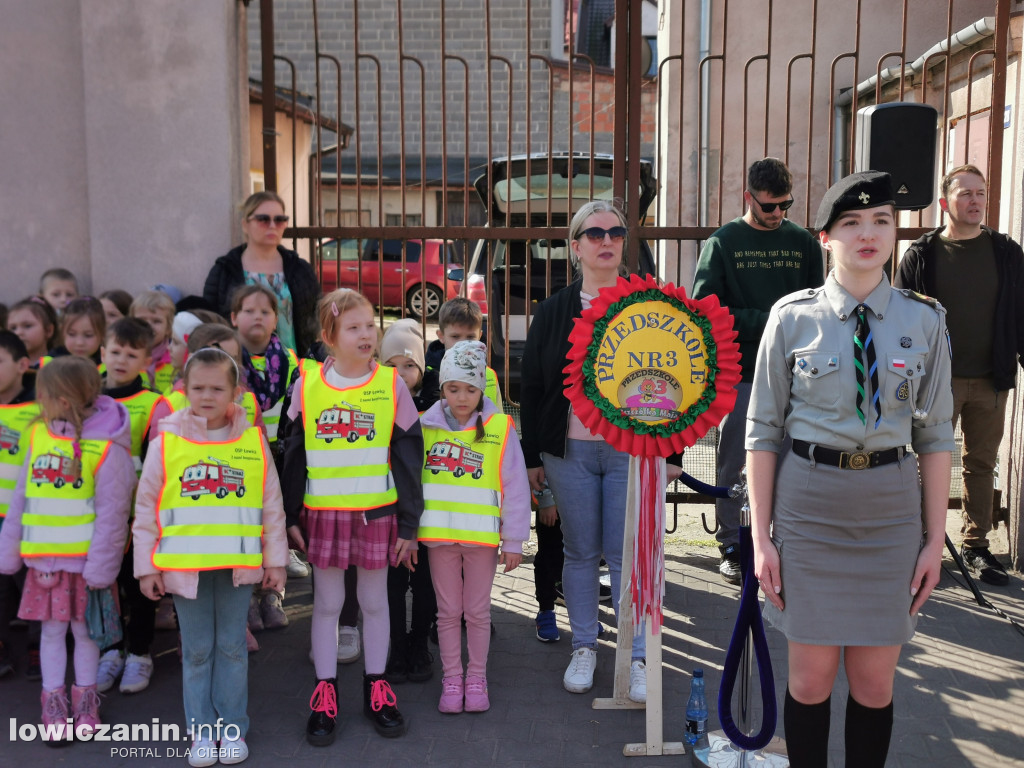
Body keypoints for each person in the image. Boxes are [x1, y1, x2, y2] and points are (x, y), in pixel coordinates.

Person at [747, 171, 954, 767]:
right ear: (825, 238)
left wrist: (933, 540)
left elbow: (936, 435)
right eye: (851, 223)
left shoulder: (925, 321)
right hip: (808, 510)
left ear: (895, 232)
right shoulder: (791, 318)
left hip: (890, 513)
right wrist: (762, 540)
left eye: (882, 221)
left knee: (874, 685)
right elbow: (762, 434)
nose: (869, 234)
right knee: (809, 683)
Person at [133, 347, 288, 767]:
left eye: (216, 387)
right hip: (186, 571)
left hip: (237, 568)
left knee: (233, 647)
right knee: (198, 651)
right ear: (184, 389)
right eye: (197, 387)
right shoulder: (166, 440)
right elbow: (145, 507)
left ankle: (232, 727)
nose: (206, 395)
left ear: (235, 392)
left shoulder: (252, 440)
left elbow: (271, 505)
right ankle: (202, 731)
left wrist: (275, 561)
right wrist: (146, 567)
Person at [282, 289, 424, 745]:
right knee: (325, 605)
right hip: (323, 515)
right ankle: (325, 693)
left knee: (376, 602)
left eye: (370, 326)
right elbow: (293, 454)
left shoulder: (391, 384)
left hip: (377, 515)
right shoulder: (307, 384)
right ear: (330, 336)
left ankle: (377, 689)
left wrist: (408, 524)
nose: (366, 335)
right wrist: (289, 517)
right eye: (354, 327)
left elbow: (407, 459)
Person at [520, 200, 648, 702]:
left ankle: (637, 656)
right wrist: (533, 457)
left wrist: (675, 449)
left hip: (630, 451)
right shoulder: (553, 311)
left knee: (625, 556)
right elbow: (530, 386)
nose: (606, 240)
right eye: (594, 233)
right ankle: (586, 647)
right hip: (568, 451)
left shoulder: (647, 304)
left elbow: (683, 378)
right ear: (575, 246)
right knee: (579, 553)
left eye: (615, 232)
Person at [692, 157, 824, 584]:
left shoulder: (802, 242)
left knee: (794, 461)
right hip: (743, 373)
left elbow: (818, 306)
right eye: (769, 206)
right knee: (736, 462)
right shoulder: (723, 243)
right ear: (747, 197)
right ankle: (731, 543)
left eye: (785, 205)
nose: (778, 214)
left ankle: (782, 541)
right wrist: (771, 320)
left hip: (798, 374)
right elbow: (705, 312)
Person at [894, 164, 1023, 587]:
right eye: (965, 193)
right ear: (946, 201)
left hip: (990, 378)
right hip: (935, 381)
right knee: (924, 461)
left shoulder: (1006, 252)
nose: (975, 201)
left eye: (981, 193)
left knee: (980, 464)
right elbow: (901, 317)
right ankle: (920, 542)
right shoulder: (923, 253)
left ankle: (975, 545)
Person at [0, 357, 135, 743]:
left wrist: (100, 570)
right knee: (51, 633)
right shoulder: (39, 435)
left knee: (86, 633)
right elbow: (21, 499)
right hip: (44, 563)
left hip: (85, 566)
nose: (37, 398)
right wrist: (9, 550)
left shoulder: (107, 449)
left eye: (42, 392)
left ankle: (86, 703)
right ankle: (54, 703)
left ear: (62, 399)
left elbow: (113, 517)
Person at [418, 340, 529, 713]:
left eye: (469, 388)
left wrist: (513, 539)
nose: (461, 397)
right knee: (447, 614)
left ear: (482, 388)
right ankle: (452, 680)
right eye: (452, 388)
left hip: (481, 540)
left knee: (478, 613)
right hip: (439, 539)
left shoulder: (500, 427)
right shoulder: (424, 427)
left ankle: (476, 677)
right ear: (442, 389)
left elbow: (515, 486)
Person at [95, 318, 171, 695]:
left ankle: (139, 652)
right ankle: (110, 650)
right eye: (115, 351)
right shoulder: (87, 396)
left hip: (137, 518)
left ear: (146, 360)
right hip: (95, 517)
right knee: (103, 586)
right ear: (102, 352)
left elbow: (159, 465)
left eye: (131, 353)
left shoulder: (154, 405)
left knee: (137, 584)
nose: (121, 359)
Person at [380, 319, 437, 684]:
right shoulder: (375, 402)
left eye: (409, 365)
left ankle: (419, 646)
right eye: (391, 366)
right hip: (390, 513)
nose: (400, 374)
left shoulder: (436, 406)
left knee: (427, 585)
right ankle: (397, 648)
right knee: (393, 585)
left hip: (429, 513)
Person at [203, 191, 321, 358]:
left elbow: (316, 318)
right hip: (239, 369)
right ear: (245, 224)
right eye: (263, 219)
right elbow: (209, 323)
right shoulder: (225, 271)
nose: (272, 225)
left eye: (279, 220)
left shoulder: (300, 270)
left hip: (293, 369)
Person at [0, 331, 40, 680]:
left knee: (32, 586)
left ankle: (38, 648)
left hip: (26, 519)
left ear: (21, 365)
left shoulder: (38, 410)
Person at [423, 297, 503, 411]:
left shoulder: (489, 374)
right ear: (441, 336)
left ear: (479, 336)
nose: (463, 343)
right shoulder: (428, 375)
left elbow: (498, 419)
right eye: (455, 336)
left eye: (470, 337)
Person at [130, 290, 176, 394]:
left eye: (156, 321)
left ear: (168, 328)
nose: (148, 326)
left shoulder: (175, 358)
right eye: (142, 320)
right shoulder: (124, 355)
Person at [51, 297, 105, 366]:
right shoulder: (52, 361)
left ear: (102, 334)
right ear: (62, 332)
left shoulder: (108, 365)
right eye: (72, 334)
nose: (80, 343)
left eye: (88, 335)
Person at [7, 297, 58, 370]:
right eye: (13, 328)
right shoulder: (6, 366)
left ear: (48, 330)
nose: (18, 332)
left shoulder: (59, 365)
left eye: (27, 326)